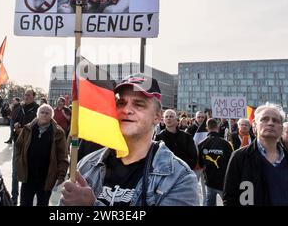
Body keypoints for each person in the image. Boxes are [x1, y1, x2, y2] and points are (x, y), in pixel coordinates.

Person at [60, 73, 199, 206]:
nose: (127, 110)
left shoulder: (179, 178)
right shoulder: (87, 165)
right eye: (121, 103)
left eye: (138, 104)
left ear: (157, 116)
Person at [223, 102, 288, 206]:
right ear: (254, 125)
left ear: (281, 128)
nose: (270, 123)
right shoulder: (239, 158)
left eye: (276, 120)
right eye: (265, 119)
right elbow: (230, 198)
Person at [15, 104, 68, 206]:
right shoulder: (27, 128)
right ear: (37, 114)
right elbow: (18, 146)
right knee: (24, 203)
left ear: (51, 116)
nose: (44, 115)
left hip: (46, 177)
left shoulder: (58, 132)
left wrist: (61, 175)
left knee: (43, 203)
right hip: (28, 176)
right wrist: (18, 162)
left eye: (47, 113)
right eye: (42, 112)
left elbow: (63, 155)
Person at [11, 89, 39, 204]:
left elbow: (38, 127)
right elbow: (15, 121)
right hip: (18, 143)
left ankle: (25, 198)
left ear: (33, 96)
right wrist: (16, 126)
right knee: (15, 171)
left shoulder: (37, 109)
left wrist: (24, 131)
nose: (26, 97)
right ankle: (14, 197)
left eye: (28, 95)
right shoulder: (20, 108)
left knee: (27, 172)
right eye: (25, 95)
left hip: (30, 145)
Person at [198, 118, 233, 206]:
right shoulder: (226, 144)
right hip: (224, 180)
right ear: (217, 127)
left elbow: (200, 163)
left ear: (207, 128)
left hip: (209, 180)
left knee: (209, 203)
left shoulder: (201, 144)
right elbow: (231, 162)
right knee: (227, 202)